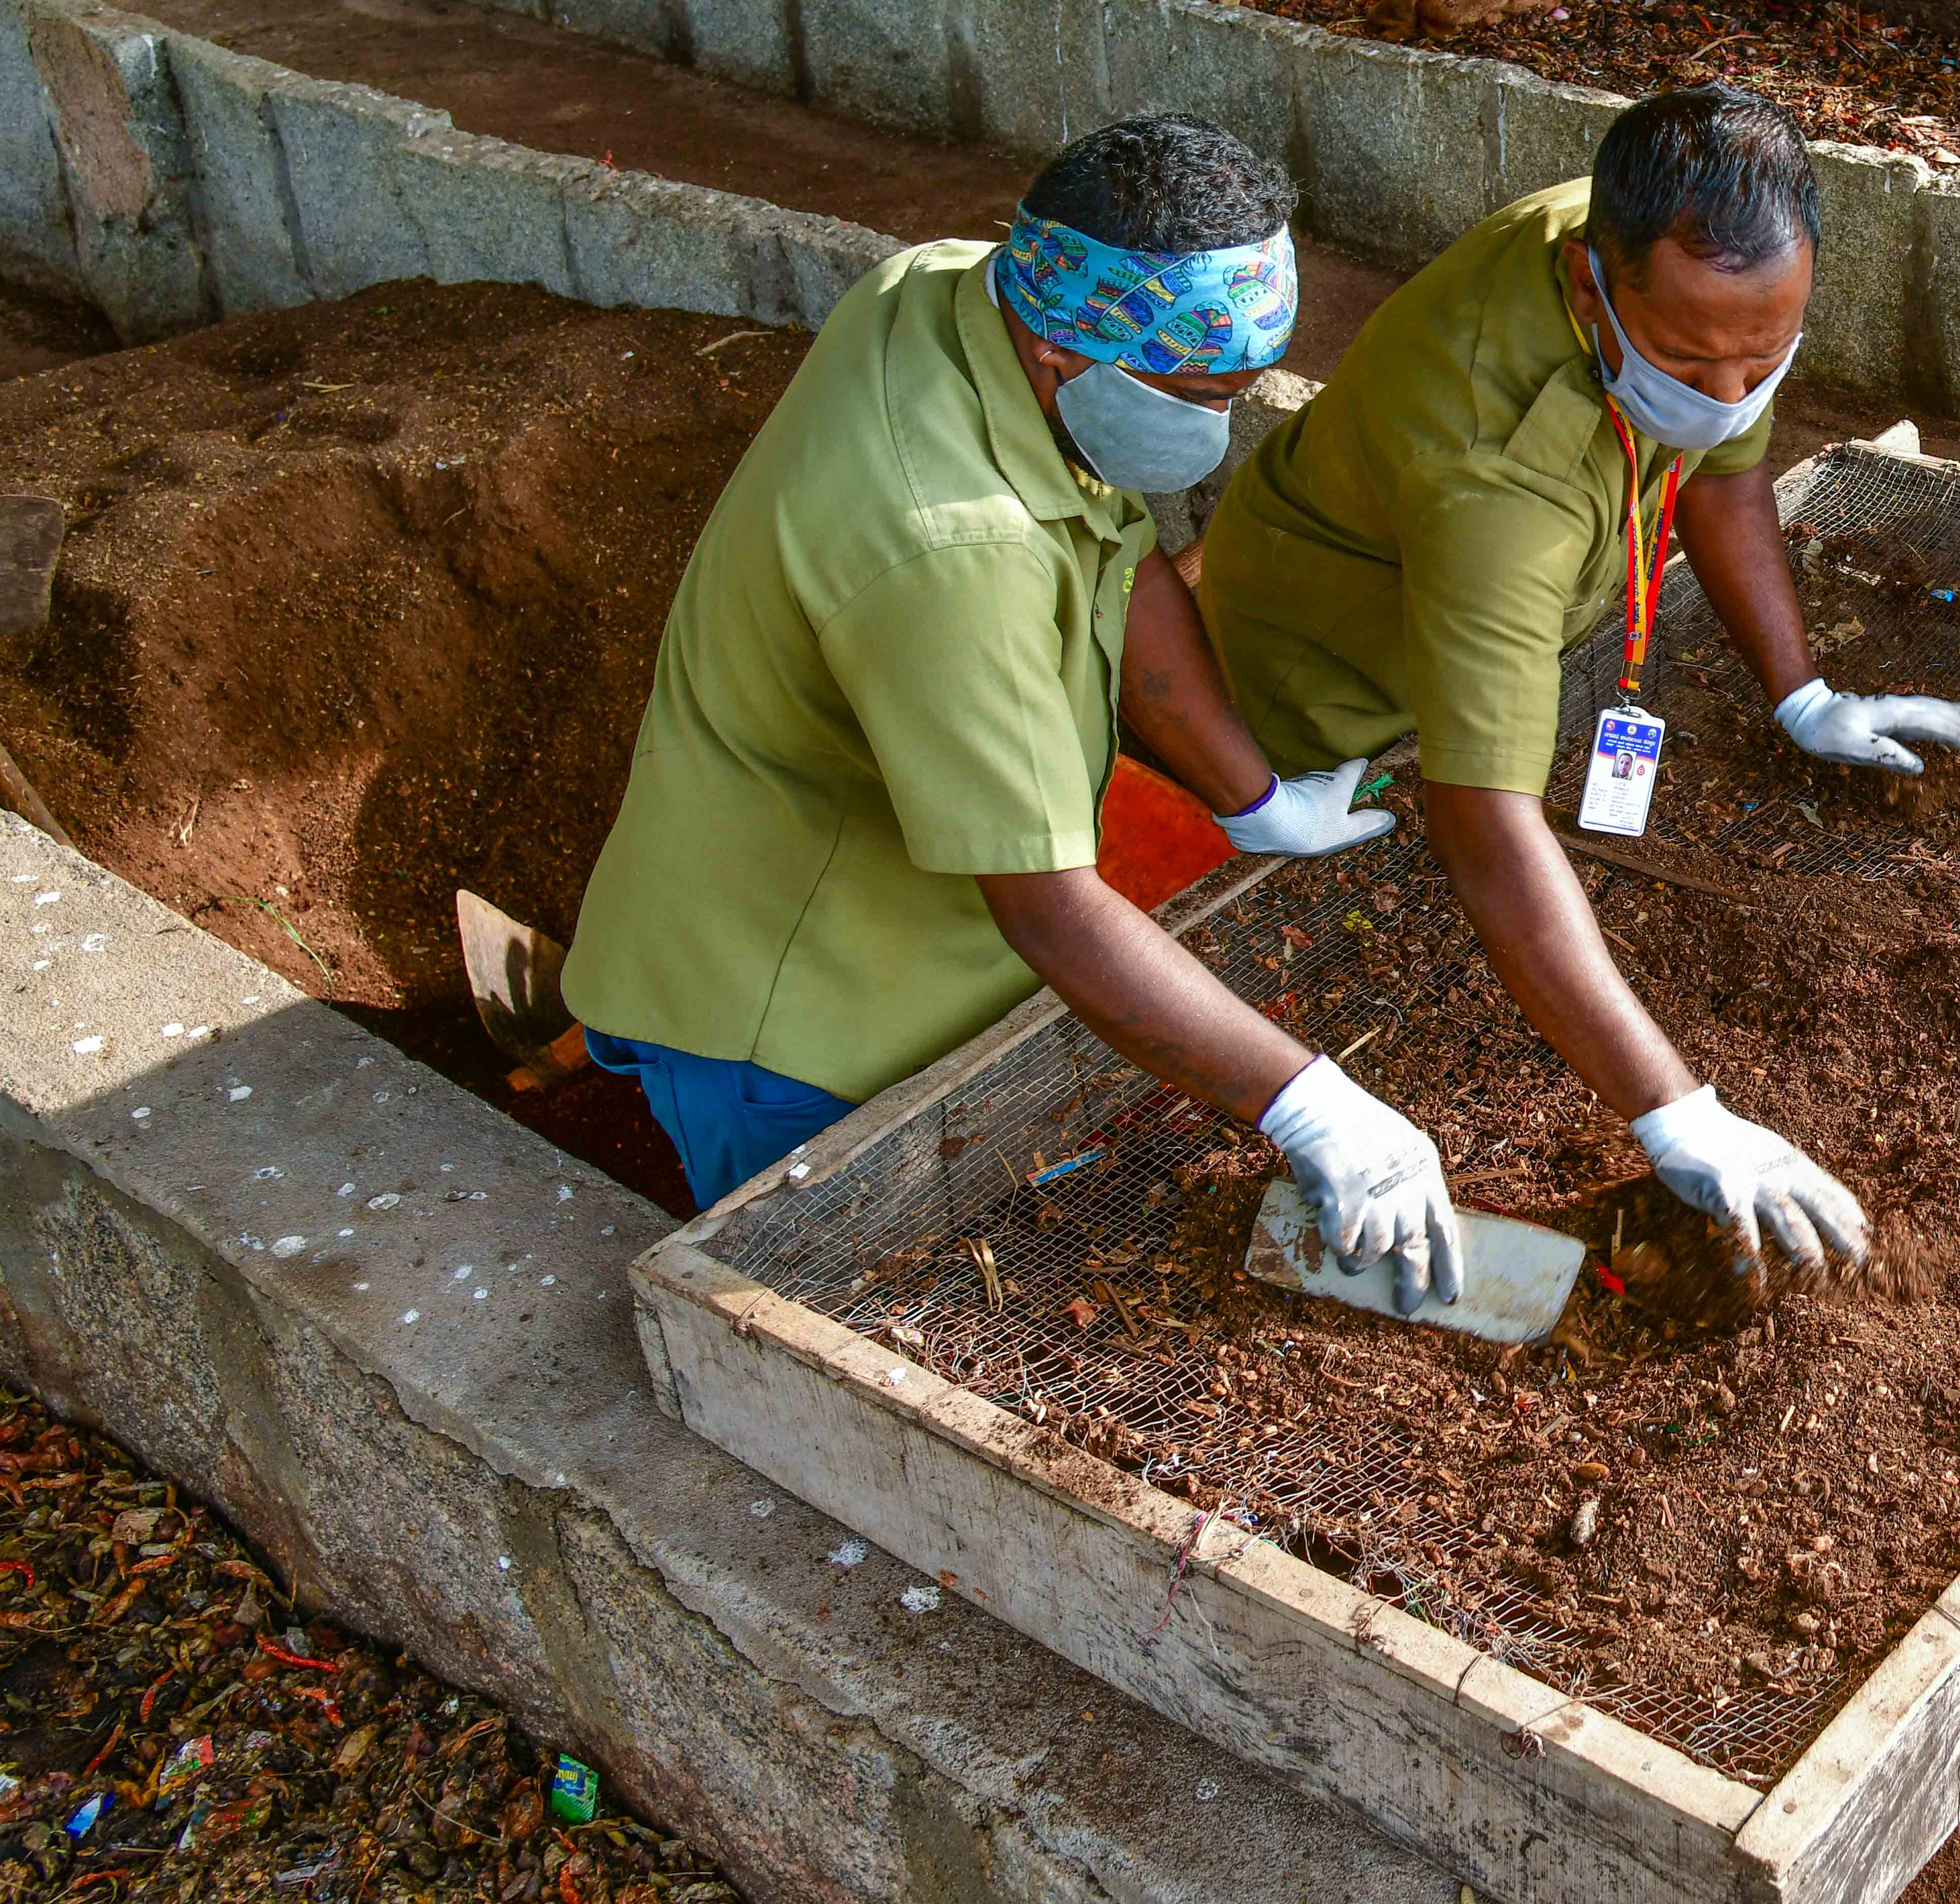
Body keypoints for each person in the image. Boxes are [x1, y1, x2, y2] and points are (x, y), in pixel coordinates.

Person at [565, 118, 1466, 1304]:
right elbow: (1048, 908)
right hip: (785, 1011)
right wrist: (1315, 1108)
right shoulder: (950, 550)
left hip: (907, 927)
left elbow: (1114, 541)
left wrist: (1253, 795)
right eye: (1197, 393)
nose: (1215, 432)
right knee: (832, 1303)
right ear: (1059, 353)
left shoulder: (957, 287)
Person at [1195, 86, 1960, 1289]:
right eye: (1690, 359)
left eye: (1766, 351)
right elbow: (1479, 819)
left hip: (1475, 632)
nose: (1729, 388)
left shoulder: (1683, 253)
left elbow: (1722, 469)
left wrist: (1802, 694)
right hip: (1324, 696)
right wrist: (1675, 1113)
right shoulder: (1495, 478)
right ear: (1588, 289)